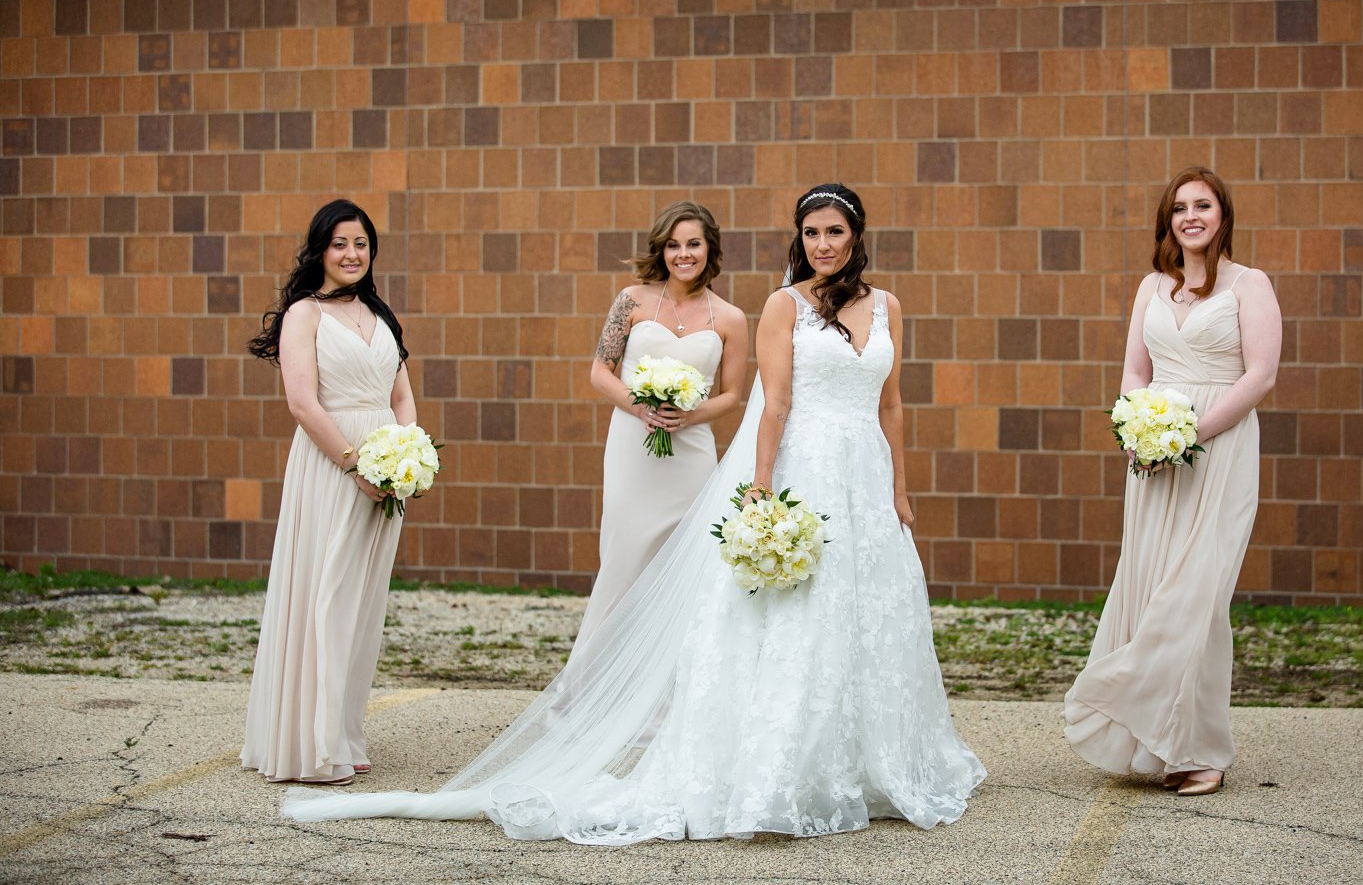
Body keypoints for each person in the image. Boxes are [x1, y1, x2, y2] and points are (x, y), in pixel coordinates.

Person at [283, 184, 985, 841]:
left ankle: (859, 747)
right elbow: (756, 401)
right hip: (694, 453)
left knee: (844, 602)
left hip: (826, 469)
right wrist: (696, 440)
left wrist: (899, 487)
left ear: (856, 235)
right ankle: (593, 705)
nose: (824, 242)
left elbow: (872, 401)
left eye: (835, 231)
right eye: (812, 232)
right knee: (646, 573)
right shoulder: (728, 303)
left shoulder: (853, 308)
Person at [1063, 167, 1281, 796]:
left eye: (1203, 205)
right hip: (1153, 457)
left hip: (1221, 449)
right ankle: (1157, 740)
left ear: (1222, 215)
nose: (1192, 216)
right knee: (1152, 581)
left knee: (1198, 594)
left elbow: (1259, 377)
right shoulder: (1151, 288)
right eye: (1180, 207)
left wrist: (1191, 434)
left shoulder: (1250, 286)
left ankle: (1202, 747)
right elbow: (1135, 369)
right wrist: (1139, 431)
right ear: (1168, 221)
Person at [242, 199, 417, 785]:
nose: (352, 254)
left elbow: (400, 395)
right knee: (326, 595)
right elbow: (302, 403)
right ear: (320, 249)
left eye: (361, 244)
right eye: (341, 243)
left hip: (385, 471)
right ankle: (310, 742)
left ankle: (344, 730)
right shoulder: (304, 315)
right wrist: (354, 464)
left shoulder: (381, 314)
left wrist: (406, 454)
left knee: (363, 604)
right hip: (332, 464)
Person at [576, 202, 747, 651]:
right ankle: (595, 678)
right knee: (623, 555)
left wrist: (691, 415)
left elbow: (731, 395)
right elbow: (599, 372)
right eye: (673, 245)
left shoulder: (730, 318)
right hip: (633, 447)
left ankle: (670, 685)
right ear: (662, 249)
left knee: (683, 560)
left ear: (710, 248)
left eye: (693, 243)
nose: (682, 254)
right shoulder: (632, 301)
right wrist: (639, 407)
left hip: (691, 454)